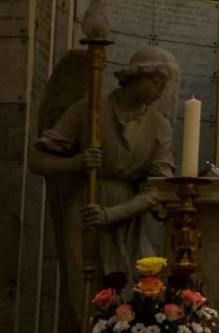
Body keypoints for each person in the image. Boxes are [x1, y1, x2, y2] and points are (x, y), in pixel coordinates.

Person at [29, 45, 178, 326]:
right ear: (137, 76)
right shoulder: (89, 110)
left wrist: (111, 214)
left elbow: (157, 189)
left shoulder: (160, 127)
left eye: (164, 85)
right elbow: (36, 159)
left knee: (133, 301)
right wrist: (75, 164)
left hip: (127, 221)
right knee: (85, 301)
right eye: (156, 82)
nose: (160, 91)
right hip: (86, 213)